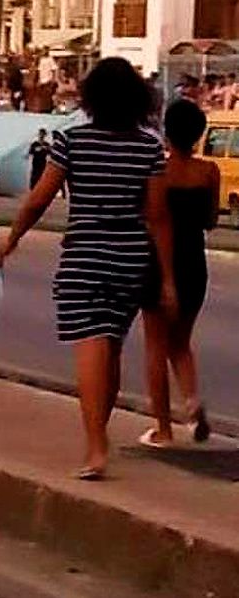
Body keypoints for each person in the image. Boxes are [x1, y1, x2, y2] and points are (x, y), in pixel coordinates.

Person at [0, 58, 176, 480]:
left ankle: (96, 446)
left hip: (85, 254)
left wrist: (12, 238)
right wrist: (167, 277)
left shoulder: (71, 141)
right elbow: (158, 216)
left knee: (91, 345)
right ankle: (100, 434)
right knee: (110, 345)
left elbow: (39, 198)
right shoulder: (149, 146)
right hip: (130, 257)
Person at [139, 100, 220, 448]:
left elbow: (148, 214)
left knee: (156, 346)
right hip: (194, 261)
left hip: (158, 259)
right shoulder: (209, 172)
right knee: (182, 342)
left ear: (166, 131)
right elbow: (210, 220)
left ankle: (163, 428)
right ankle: (191, 402)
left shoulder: (157, 169)